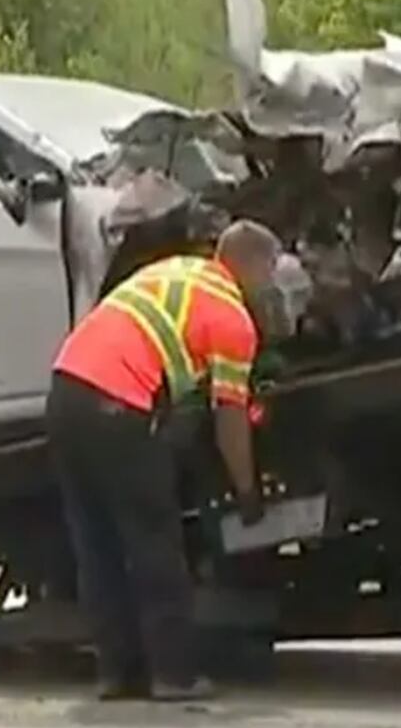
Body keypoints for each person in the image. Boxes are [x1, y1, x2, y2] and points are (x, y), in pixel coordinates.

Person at [45, 219, 282, 701]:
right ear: (254, 265)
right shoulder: (232, 318)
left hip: (65, 392)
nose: (273, 283)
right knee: (153, 540)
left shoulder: (180, 270)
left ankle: (117, 673)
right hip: (117, 403)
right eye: (272, 270)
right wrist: (246, 491)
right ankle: (174, 675)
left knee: (98, 546)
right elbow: (230, 420)